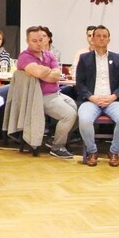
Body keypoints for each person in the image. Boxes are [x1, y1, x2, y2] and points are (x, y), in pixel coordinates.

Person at [17, 26, 77, 159]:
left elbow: (57, 75)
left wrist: (43, 72)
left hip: (56, 93)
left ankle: (53, 139)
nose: (39, 43)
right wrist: (46, 71)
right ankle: (57, 146)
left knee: (77, 111)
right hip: (39, 97)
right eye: (34, 41)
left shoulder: (49, 54)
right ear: (27, 41)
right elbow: (40, 72)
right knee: (69, 115)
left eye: (41, 39)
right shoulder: (24, 57)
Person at [75, 25, 119, 167]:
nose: (101, 39)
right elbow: (79, 83)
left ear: (109, 39)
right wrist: (91, 97)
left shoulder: (118, 58)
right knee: (84, 120)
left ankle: (114, 151)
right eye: (98, 36)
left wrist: (113, 97)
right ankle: (92, 151)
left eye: (104, 36)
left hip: (112, 100)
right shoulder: (84, 58)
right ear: (92, 39)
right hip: (91, 100)